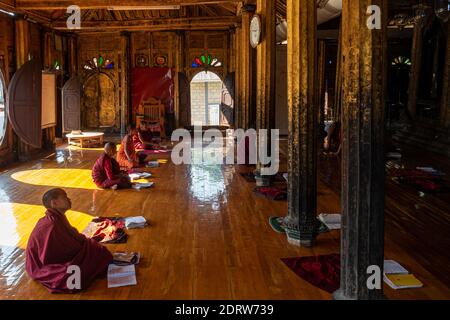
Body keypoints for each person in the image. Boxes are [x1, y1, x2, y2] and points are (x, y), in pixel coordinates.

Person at [26, 188, 113, 293]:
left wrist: (85, 243)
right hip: (41, 264)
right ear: (54, 203)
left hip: (58, 253)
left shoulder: (56, 217)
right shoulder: (52, 225)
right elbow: (52, 255)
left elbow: (70, 236)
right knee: (78, 274)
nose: (69, 199)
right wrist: (86, 245)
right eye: (65, 197)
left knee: (98, 251)